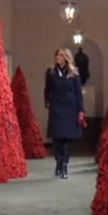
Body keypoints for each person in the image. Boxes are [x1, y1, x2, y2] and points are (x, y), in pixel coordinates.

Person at [44, 48, 86, 179]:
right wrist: (47, 102)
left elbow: (78, 93)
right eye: (57, 55)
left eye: (61, 55)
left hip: (70, 108)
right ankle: (58, 163)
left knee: (67, 138)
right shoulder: (50, 72)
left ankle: (65, 166)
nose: (58, 57)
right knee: (57, 138)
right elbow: (47, 89)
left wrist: (80, 110)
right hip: (56, 107)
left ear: (66, 57)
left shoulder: (74, 73)